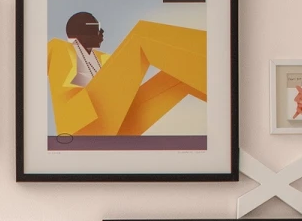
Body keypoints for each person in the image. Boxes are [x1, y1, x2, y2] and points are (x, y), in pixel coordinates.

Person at [45, 10, 207, 139]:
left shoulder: (104, 58)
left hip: (119, 124)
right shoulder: (57, 47)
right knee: (140, 37)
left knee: (176, 78)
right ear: (80, 31)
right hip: (82, 123)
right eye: (95, 26)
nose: (101, 31)